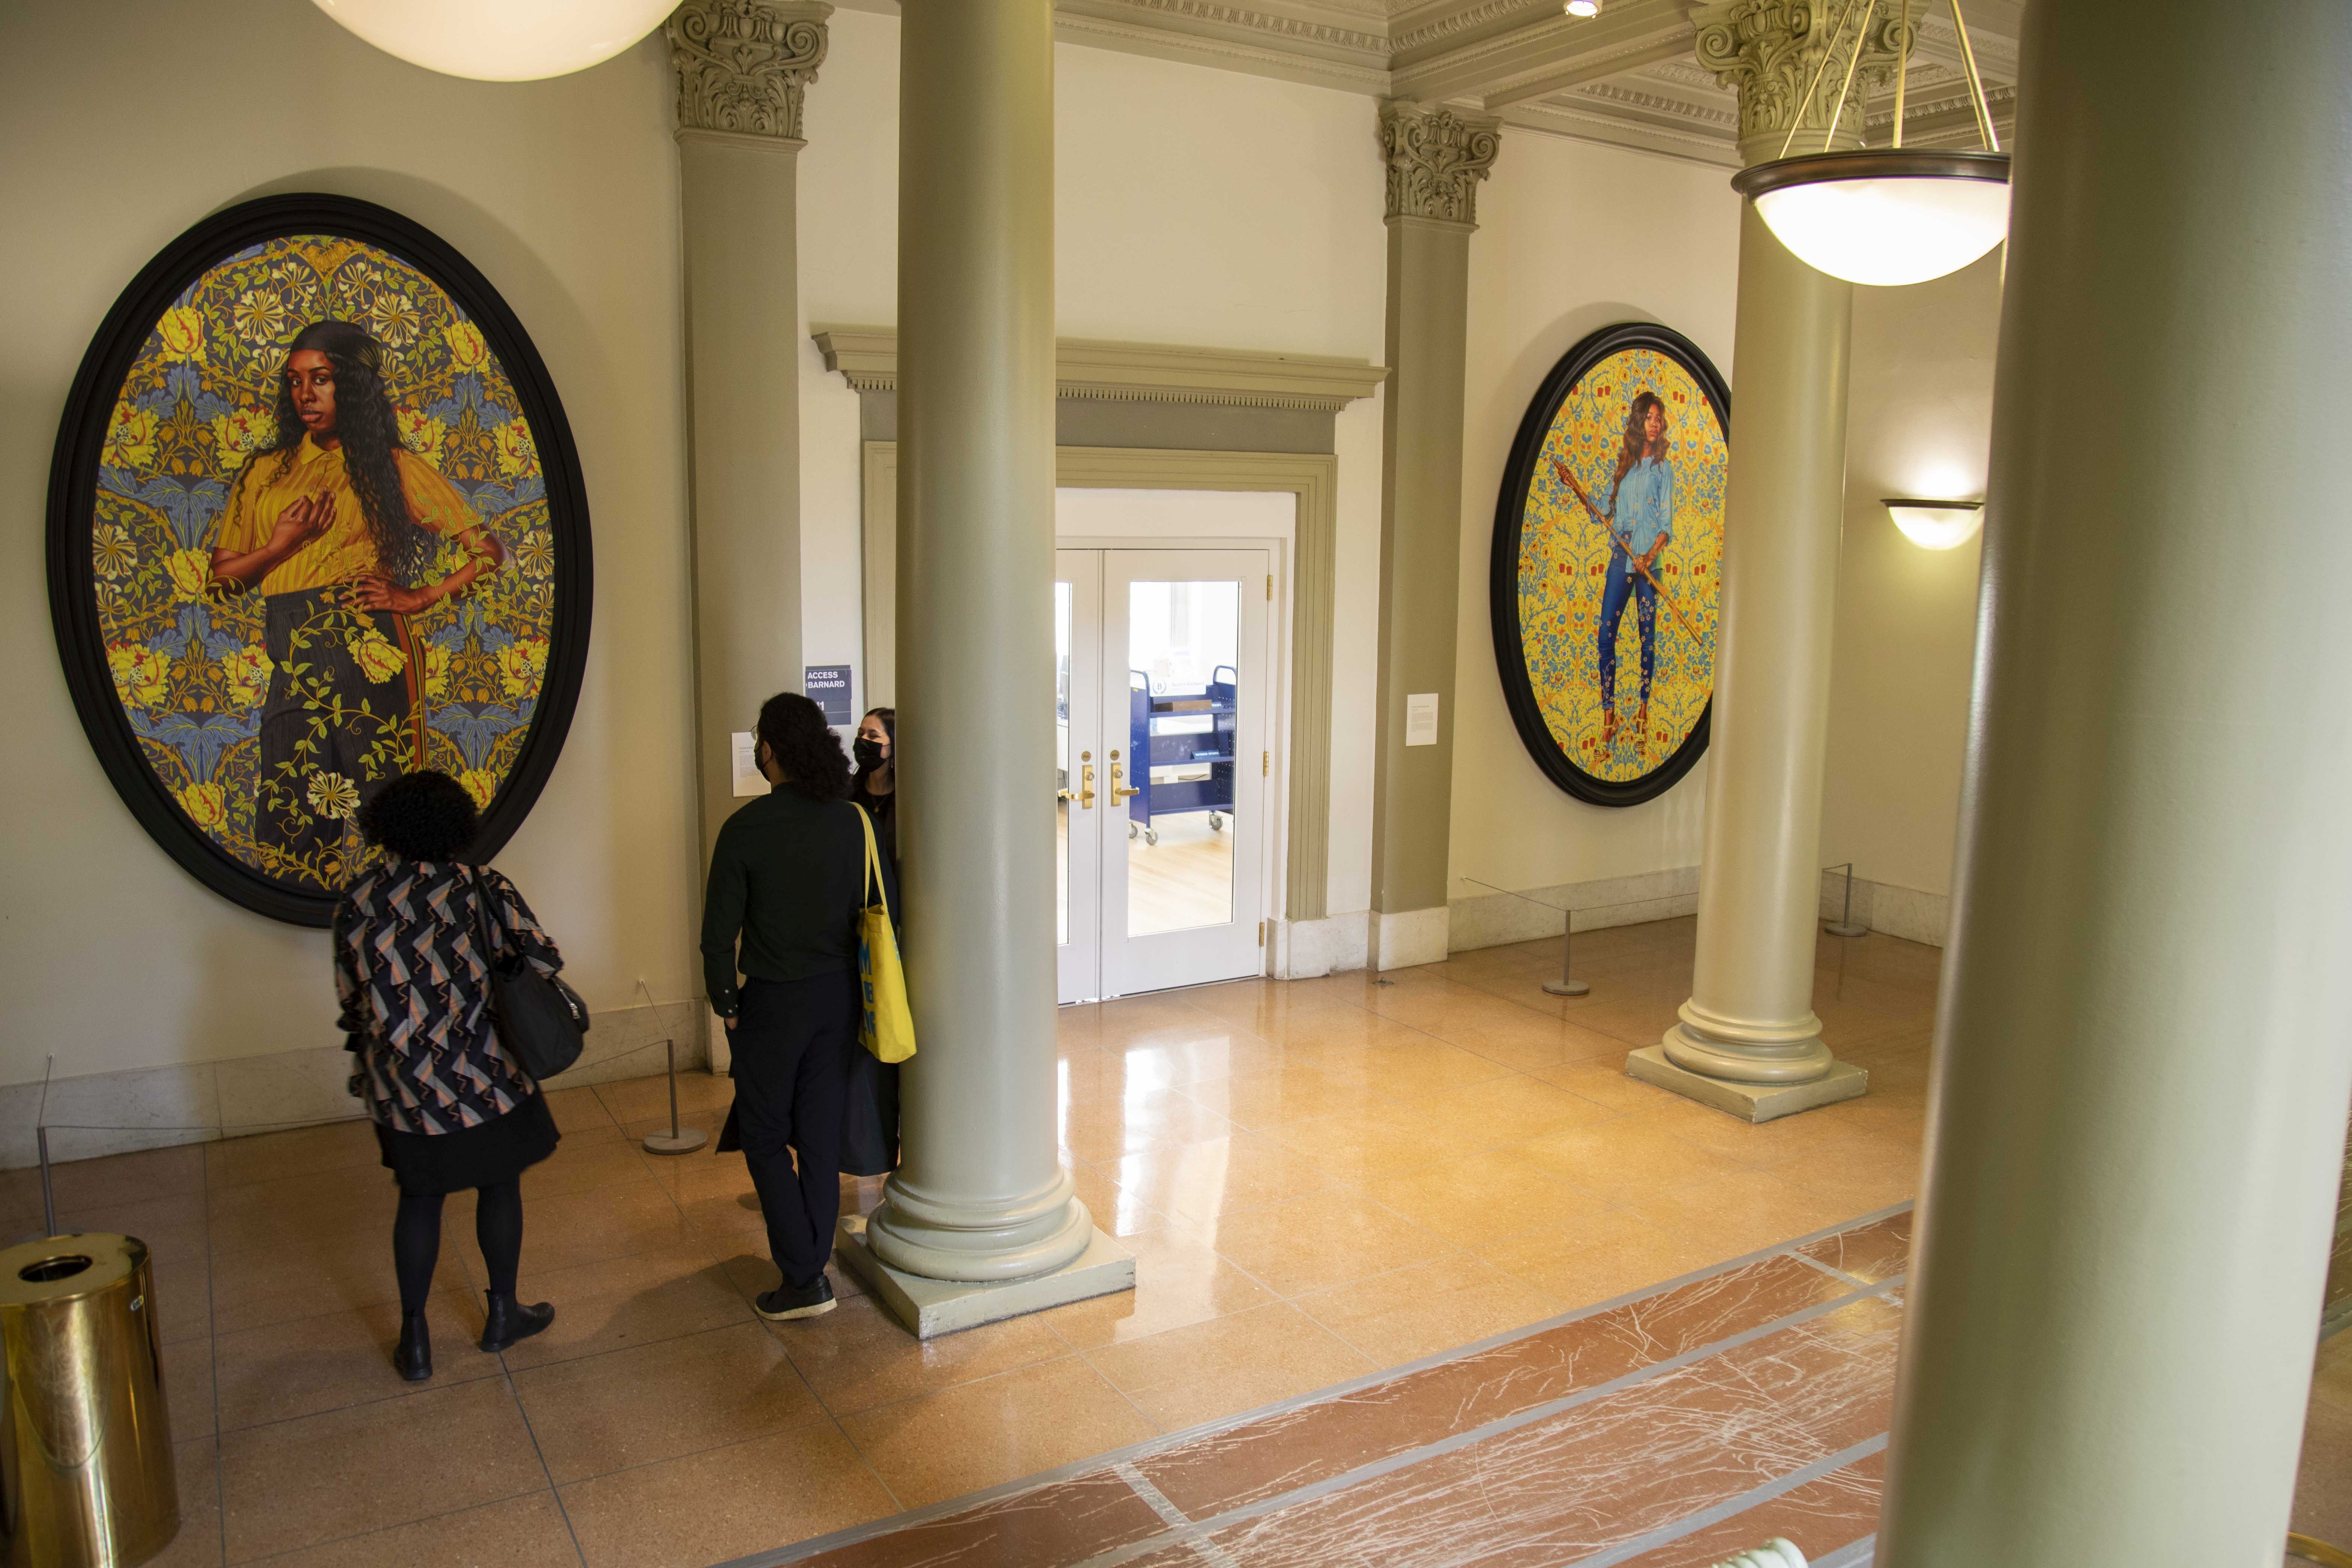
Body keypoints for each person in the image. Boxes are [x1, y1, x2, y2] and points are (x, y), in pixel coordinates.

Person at [207, 320, 506, 886]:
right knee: (291, 808)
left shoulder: (391, 465)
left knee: (386, 803)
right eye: (296, 381)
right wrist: (280, 547)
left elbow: (488, 552)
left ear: (355, 386)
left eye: (322, 379)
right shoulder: (264, 472)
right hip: (290, 646)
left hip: (366, 649)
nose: (306, 394)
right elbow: (221, 582)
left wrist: (419, 596)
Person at [333, 769, 559, 1382]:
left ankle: (415, 1339)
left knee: (420, 1198)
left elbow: (353, 1003)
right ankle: (502, 1315)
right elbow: (542, 958)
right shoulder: (481, 888)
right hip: (483, 1074)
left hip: (403, 1085)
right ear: (457, 823)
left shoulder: (360, 900)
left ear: (388, 828)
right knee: (499, 1185)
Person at [701, 692, 887, 1321]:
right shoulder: (849, 821)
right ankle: (813, 1265)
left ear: (770, 751)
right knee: (818, 1137)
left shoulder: (744, 829)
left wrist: (727, 1004)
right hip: (840, 1000)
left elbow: (716, 934)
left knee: (761, 1135)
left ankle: (804, 1275)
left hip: (773, 1002)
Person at [1559, 389, 1676, 751]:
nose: (1655, 423)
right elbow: (1607, 516)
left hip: (1649, 564)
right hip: (1622, 557)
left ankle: (1643, 710)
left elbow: (1666, 525)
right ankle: (1608, 714)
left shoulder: (1663, 469)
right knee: (1605, 635)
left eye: (1659, 418)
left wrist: (1649, 555)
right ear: (1639, 421)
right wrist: (1577, 489)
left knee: (1647, 639)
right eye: (1650, 417)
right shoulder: (1625, 468)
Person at [850, 706, 897, 874]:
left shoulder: (906, 799)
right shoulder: (846, 794)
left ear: (893, 744)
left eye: (873, 735)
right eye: (860, 733)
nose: (863, 740)